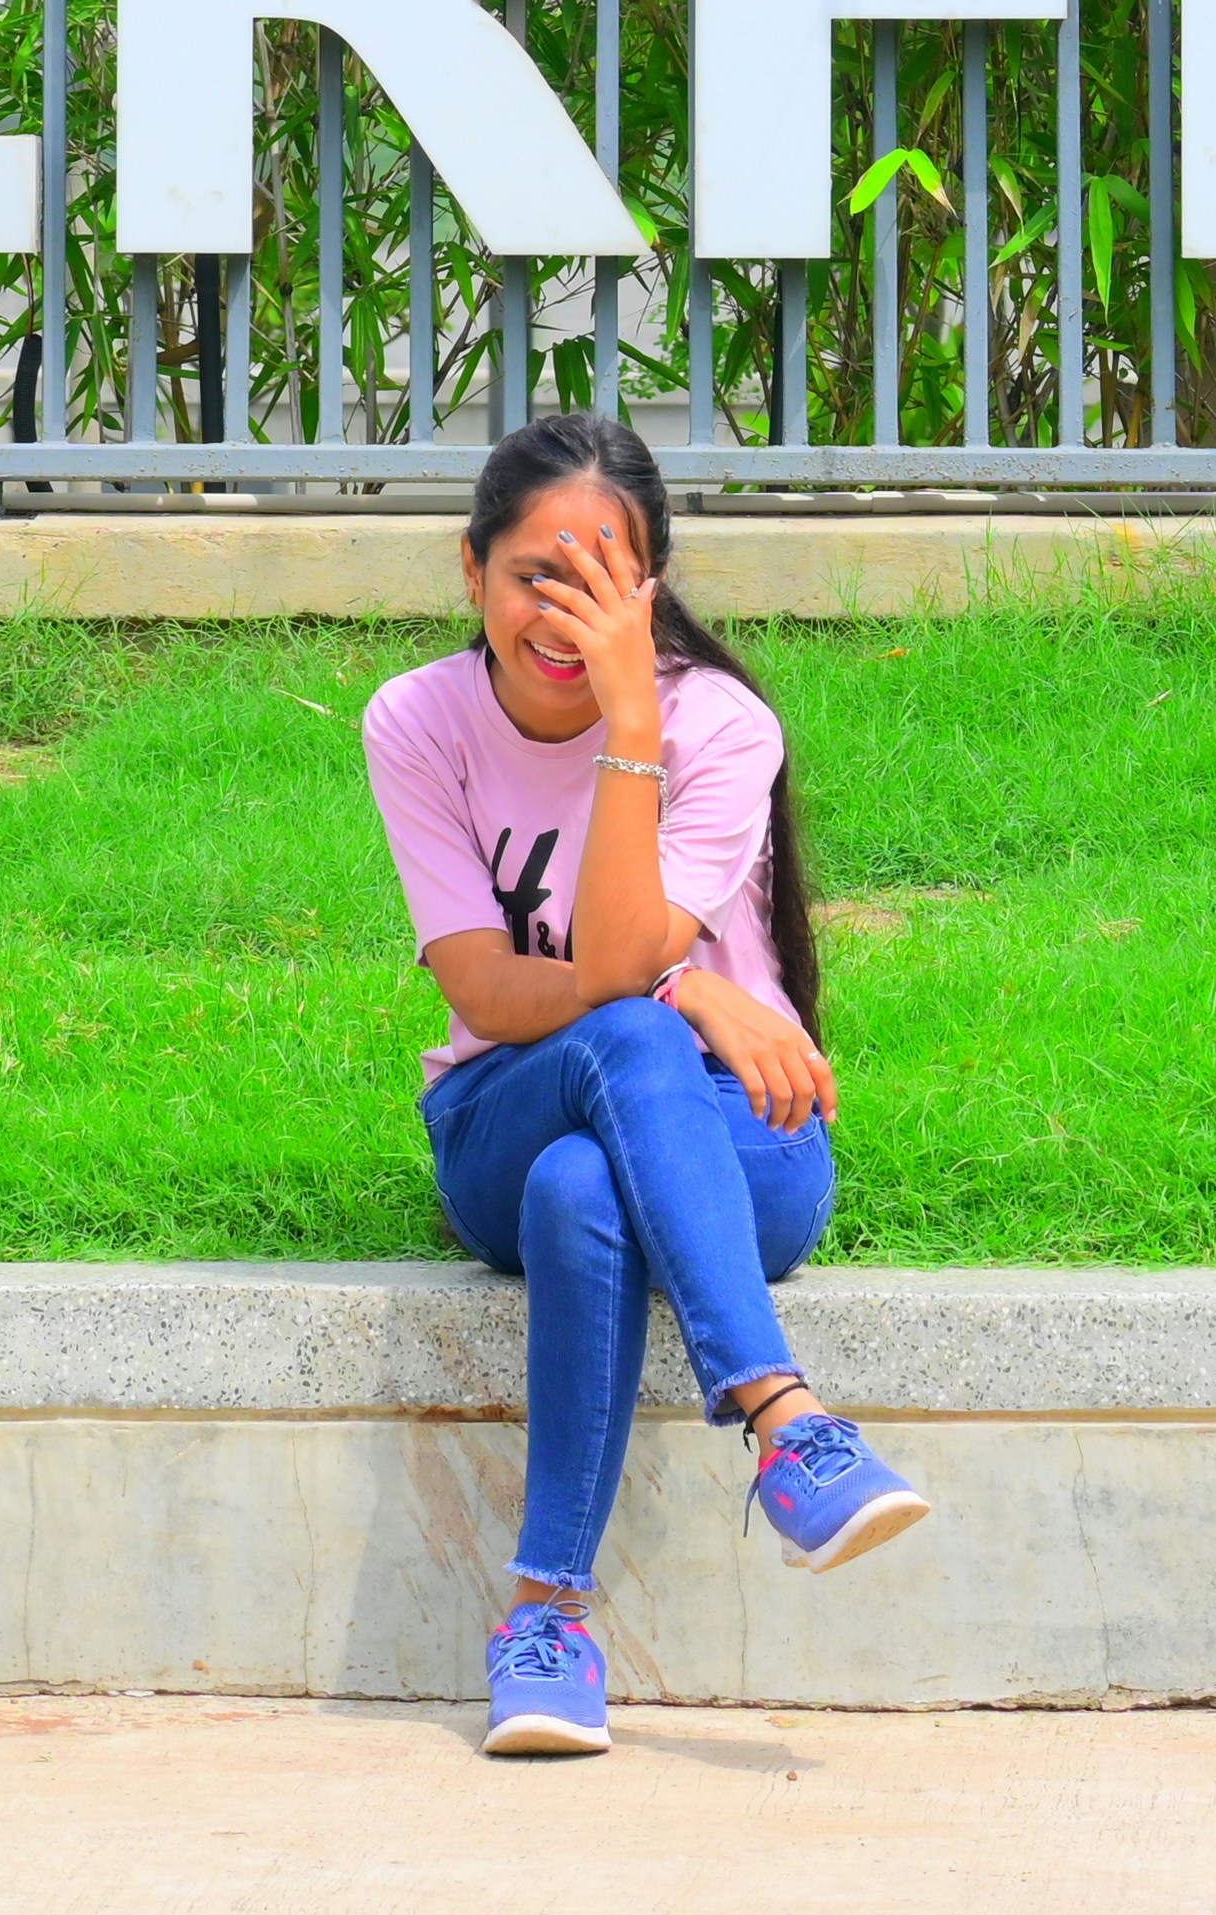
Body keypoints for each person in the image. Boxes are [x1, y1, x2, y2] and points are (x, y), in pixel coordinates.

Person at [363, 411, 931, 1759]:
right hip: (505, 1108)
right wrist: (685, 989)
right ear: (472, 574)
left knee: (586, 1186)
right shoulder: (419, 719)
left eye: (600, 585)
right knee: (615, 1051)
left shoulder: (720, 724)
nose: (562, 615)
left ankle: (545, 1621)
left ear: (651, 593)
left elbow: (614, 959)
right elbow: (496, 997)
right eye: (532, 580)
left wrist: (633, 718)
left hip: (749, 1144)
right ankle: (784, 1422)